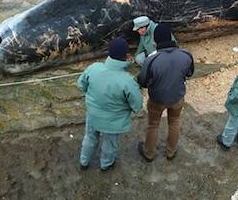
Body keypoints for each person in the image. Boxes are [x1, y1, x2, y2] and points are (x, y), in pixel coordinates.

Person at [78, 37, 143, 172]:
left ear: (109, 52)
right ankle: (105, 165)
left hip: (93, 114)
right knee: (110, 144)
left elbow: (81, 85)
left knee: (89, 138)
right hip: (114, 121)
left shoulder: (94, 68)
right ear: (125, 55)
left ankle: (84, 161)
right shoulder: (127, 80)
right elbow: (137, 105)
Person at [137, 24, 194, 162]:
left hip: (157, 98)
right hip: (177, 97)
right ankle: (170, 152)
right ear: (170, 37)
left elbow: (143, 81)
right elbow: (190, 73)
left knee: (153, 124)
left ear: (155, 41)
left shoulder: (151, 60)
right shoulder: (186, 55)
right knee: (174, 122)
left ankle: (149, 153)